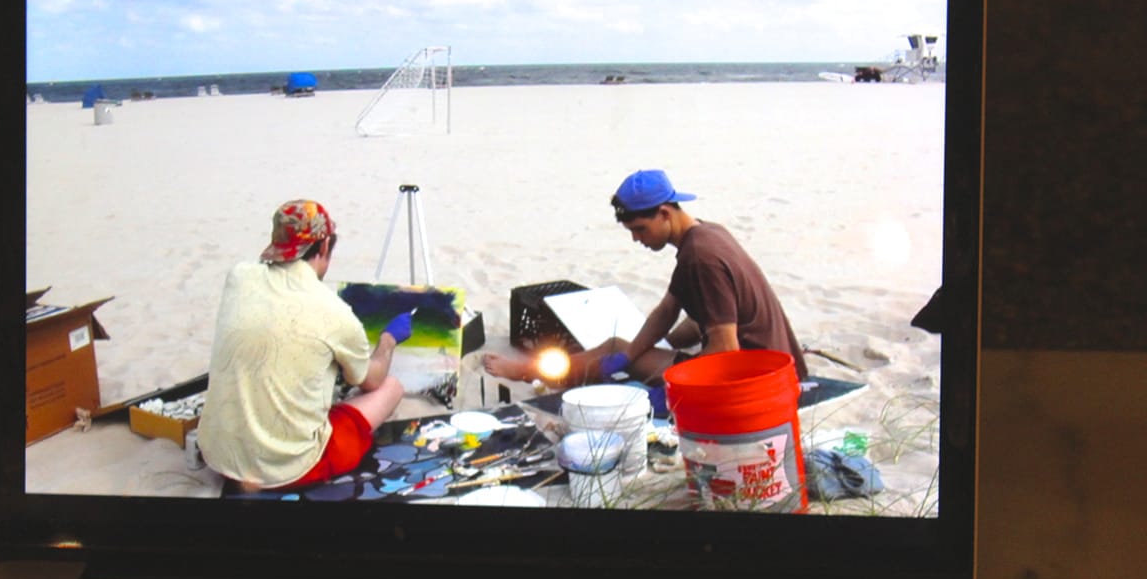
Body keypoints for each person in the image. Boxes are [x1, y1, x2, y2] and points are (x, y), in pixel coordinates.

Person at [483, 169, 808, 402]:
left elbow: (726, 349)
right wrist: (636, 354)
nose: (636, 239)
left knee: (612, 347)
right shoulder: (707, 234)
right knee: (632, 345)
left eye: (639, 228)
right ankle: (565, 367)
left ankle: (529, 371)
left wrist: (674, 390)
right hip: (777, 365)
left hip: (755, 379)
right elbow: (668, 310)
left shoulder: (701, 258)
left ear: (665, 213)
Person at [196, 199, 413, 491]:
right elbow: (373, 380)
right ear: (324, 247)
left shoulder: (238, 276)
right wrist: (388, 340)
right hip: (287, 469)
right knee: (392, 387)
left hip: (220, 456)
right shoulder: (333, 311)